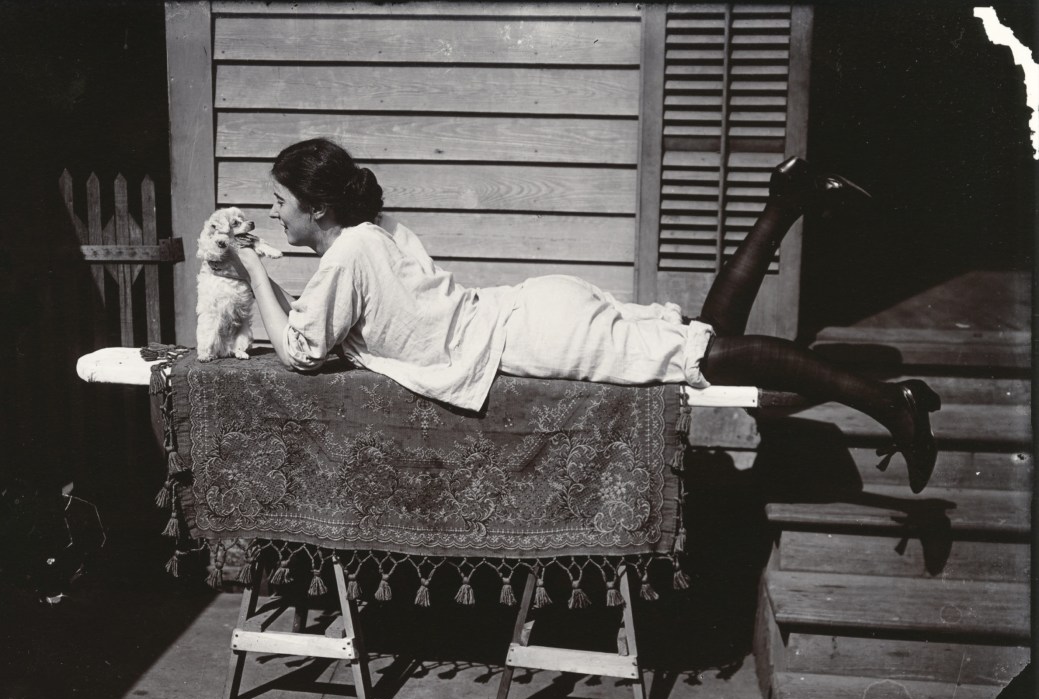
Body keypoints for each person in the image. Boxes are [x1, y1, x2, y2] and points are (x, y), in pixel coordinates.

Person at [230, 138, 939, 493]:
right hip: (536, 308)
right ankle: (785, 200)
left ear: (315, 207)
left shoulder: (349, 254)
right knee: (703, 340)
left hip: (536, 333)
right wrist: (269, 261)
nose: (272, 212)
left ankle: (888, 403)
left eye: (279, 202)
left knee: (700, 355)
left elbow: (300, 351)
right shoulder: (374, 234)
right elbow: (322, 315)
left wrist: (252, 268)